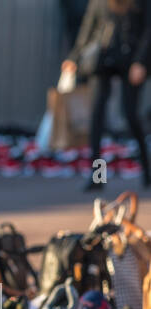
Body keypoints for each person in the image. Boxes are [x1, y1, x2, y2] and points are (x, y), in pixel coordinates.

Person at [63, 0, 151, 191]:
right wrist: (74, 56)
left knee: (131, 115)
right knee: (97, 117)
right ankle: (98, 177)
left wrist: (141, 62)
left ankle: (147, 171)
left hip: (131, 60)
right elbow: (89, 27)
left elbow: (148, 30)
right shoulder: (99, 2)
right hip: (102, 59)